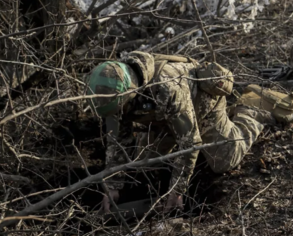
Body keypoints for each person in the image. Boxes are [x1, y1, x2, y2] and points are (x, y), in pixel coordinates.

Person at [86, 51, 271, 213]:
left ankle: (250, 111)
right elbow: (118, 141)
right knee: (145, 164)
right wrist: (112, 186)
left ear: (130, 94)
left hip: (202, 104)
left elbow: (191, 142)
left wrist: (177, 190)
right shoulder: (113, 90)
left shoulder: (167, 87)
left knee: (224, 161)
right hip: (164, 117)